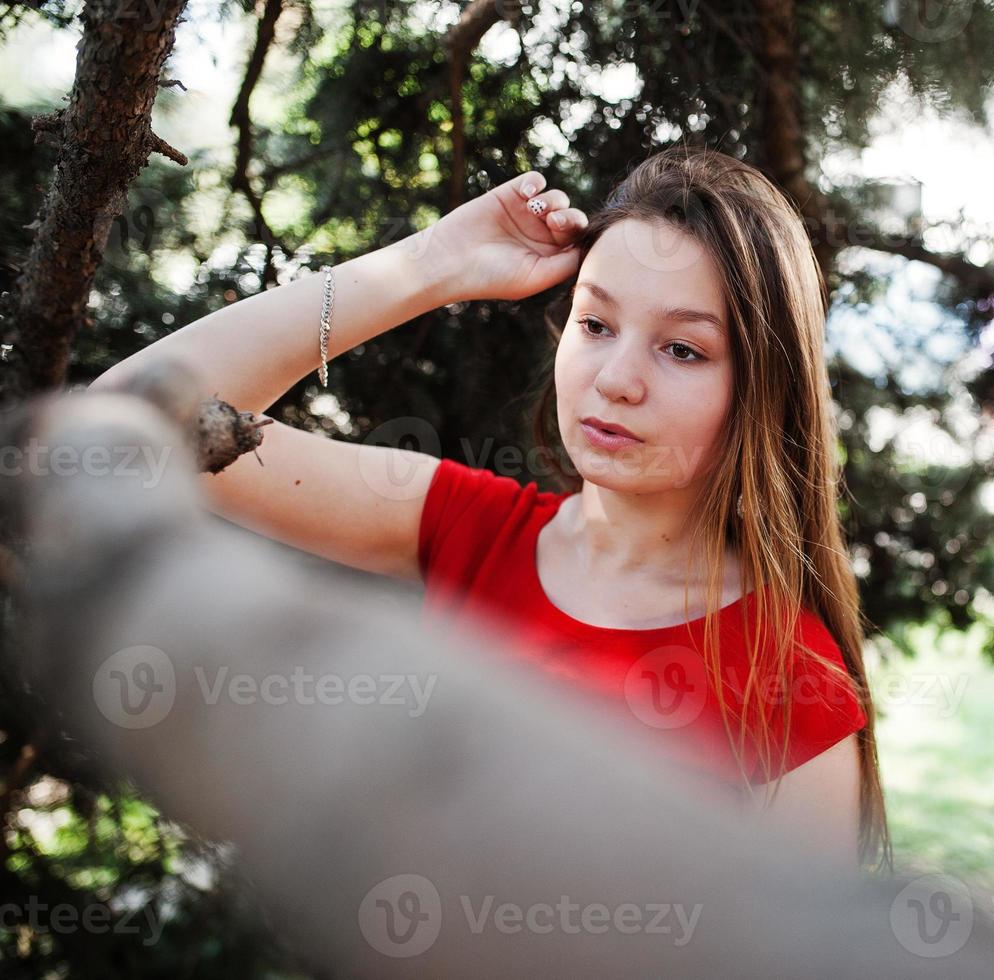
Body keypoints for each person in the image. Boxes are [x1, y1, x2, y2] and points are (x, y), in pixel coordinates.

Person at [90, 144, 892, 871]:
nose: (616, 377)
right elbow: (133, 420)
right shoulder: (466, 526)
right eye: (595, 322)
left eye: (682, 348)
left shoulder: (794, 684)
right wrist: (432, 263)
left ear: (760, 389)